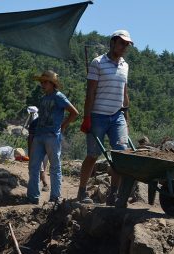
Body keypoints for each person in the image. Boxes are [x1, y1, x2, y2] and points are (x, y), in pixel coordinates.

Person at [78, 30, 133, 206]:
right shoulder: (98, 63)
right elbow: (90, 92)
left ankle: (114, 194)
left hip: (117, 116)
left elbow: (124, 94)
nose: (124, 47)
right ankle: (81, 189)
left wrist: (126, 118)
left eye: (126, 44)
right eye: (121, 43)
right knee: (93, 155)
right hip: (98, 115)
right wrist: (87, 118)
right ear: (113, 42)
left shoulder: (125, 65)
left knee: (121, 154)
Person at [27, 70, 79, 204]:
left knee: (55, 167)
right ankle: (32, 197)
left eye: (45, 82)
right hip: (39, 135)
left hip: (52, 136)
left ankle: (55, 197)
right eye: (41, 82)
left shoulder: (59, 96)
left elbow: (74, 113)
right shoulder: (44, 98)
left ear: (52, 83)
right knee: (33, 166)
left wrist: (63, 126)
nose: (42, 85)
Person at [26, 107, 49, 192]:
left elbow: (30, 138)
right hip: (44, 148)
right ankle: (39, 185)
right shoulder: (46, 122)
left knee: (40, 168)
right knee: (41, 167)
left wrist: (30, 151)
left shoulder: (35, 123)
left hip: (40, 149)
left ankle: (44, 184)